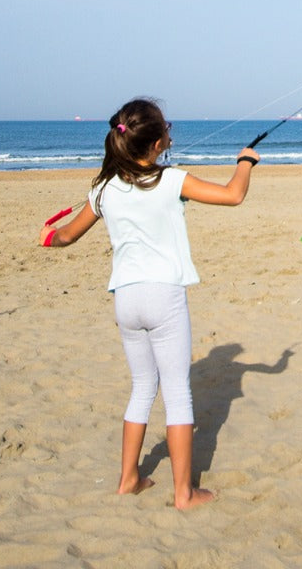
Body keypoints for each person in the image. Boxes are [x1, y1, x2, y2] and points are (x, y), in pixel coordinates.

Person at [38, 98, 260, 510]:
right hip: (163, 296)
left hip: (126, 300)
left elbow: (66, 236)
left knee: (143, 386)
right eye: (168, 129)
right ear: (157, 142)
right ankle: (184, 493)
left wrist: (48, 236)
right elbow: (233, 195)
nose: (171, 134)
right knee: (176, 392)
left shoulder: (103, 189)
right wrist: (246, 161)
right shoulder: (172, 180)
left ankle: (128, 479)